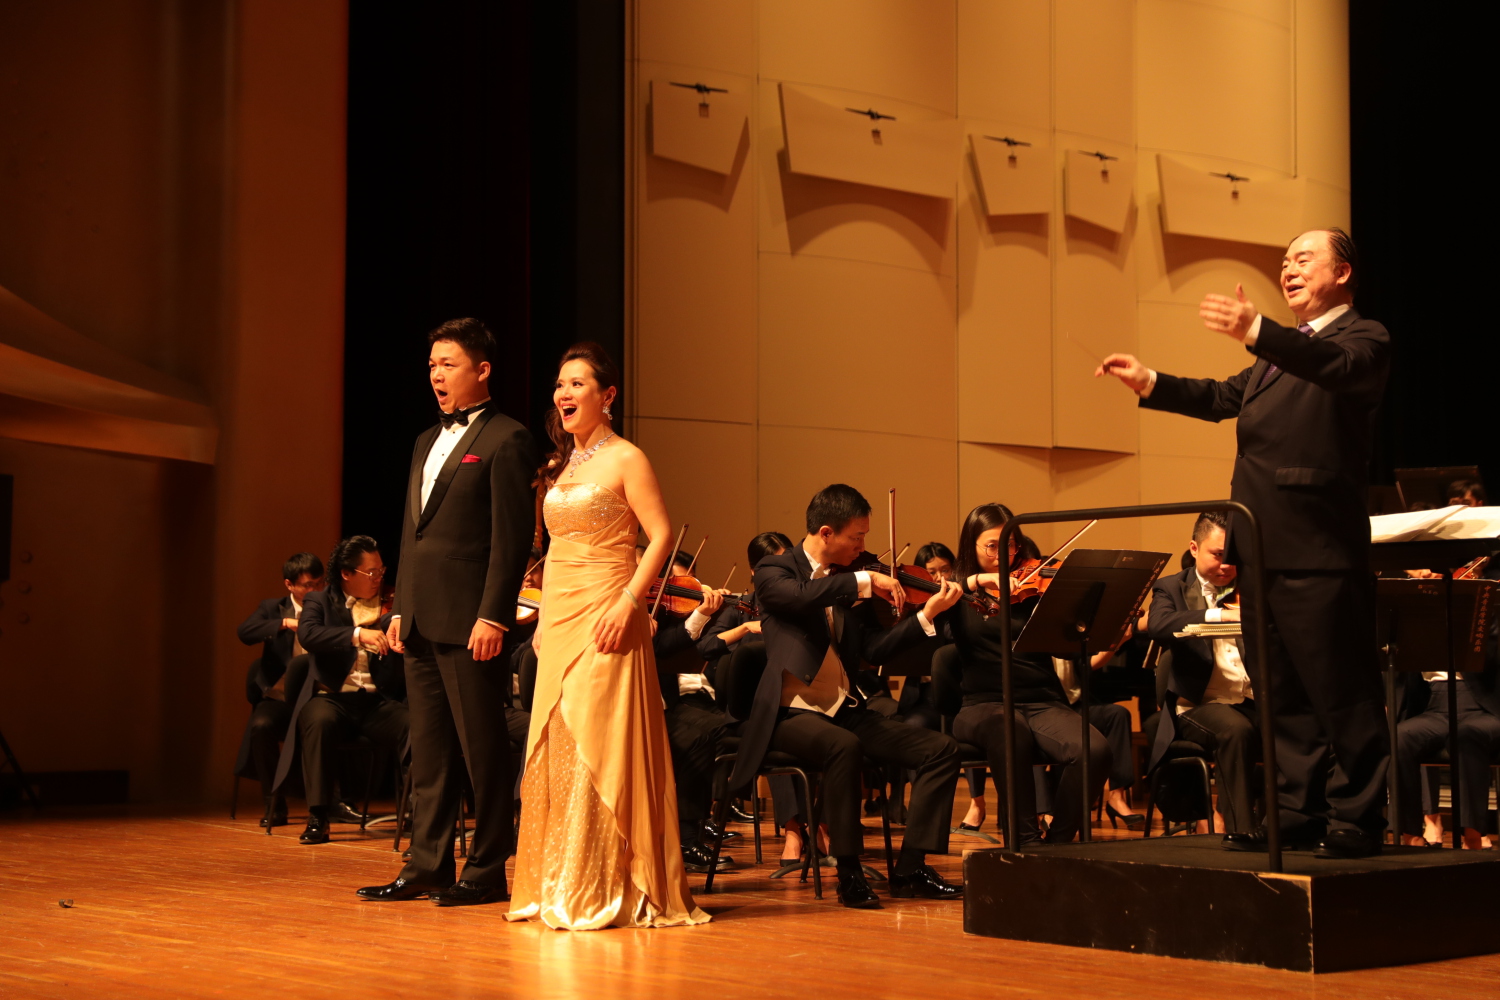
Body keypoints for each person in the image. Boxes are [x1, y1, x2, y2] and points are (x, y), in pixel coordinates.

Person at [1095, 227, 1391, 858]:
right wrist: (1151, 381)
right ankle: (1297, 809)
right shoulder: (1274, 358)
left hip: (1318, 548)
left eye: (1303, 258)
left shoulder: (1362, 338)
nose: (1288, 269)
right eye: (1283, 261)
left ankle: (1358, 815)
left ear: (1342, 273)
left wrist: (1258, 329)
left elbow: (1332, 369)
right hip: (1257, 545)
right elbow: (1219, 397)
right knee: (1279, 692)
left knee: (1340, 688)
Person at [506, 342, 708, 930]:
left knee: (600, 738)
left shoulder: (627, 457)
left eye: (577, 384)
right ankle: (559, 882)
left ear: (608, 395)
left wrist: (629, 602)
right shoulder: (561, 466)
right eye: (559, 384)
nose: (563, 394)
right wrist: (544, 615)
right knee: (558, 738)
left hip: (607, 609)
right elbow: (554, 550)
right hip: (560, 616)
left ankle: (604, 882)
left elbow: (660, 535)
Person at [360, 318, 539, 907]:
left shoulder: (508, 439)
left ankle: (486, 868)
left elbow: (510, 540)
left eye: (449, 365)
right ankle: (427, 864)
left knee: (481, 749)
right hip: (419, 619)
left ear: (482, 370)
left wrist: (494, 615)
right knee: (430, 750)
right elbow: (412, 533)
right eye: (432, 365)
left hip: (470, 621)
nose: (436, 375)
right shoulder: (422, 440)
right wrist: (399, 609)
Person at [729, 483, 966, 909]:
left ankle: (911, 868)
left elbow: (874, 650)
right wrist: (862, 580)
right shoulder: (775, 570)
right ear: (826, 533)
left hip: (843, 708)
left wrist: (925, 615)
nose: (862, 547)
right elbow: (798, 597)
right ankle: (849, 873)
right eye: (856, 538)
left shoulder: (848, 578)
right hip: (789, 714)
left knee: (941, 749)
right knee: (844, 746)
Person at [941, 503, 1111, 847]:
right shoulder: (956, 593)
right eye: (993, 546)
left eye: (1010, 545)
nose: (1004, 555)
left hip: (1042, 701)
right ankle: (1026, 842)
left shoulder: (1032, 587)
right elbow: (928, 606)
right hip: (983, 705)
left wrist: (1081, 622)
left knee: (1096, 751)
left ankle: (1057, 844)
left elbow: (1066, 650)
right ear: (971, 546)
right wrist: (976, 581)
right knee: (1010, 732)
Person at [1145, 511, 1262, 838]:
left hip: (1252, 699)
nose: (1226, 565)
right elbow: (1159, 625)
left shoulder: (1250, 586)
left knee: (1305, 727)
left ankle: (1295, 826)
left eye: (1233, 557)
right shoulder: (1172, 587)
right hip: (1197, 705)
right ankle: (1241, 833)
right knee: (1235, 730)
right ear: (1194, 548)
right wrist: (1217, 615)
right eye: (1218, 555)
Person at [289, 536, 409, 845]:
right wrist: (357, 635)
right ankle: (318, 816)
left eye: (381, 571)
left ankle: (418, 815)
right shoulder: (319, 601)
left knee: (415, 726)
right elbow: (309, 634)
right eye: (371, 573)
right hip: (333, 698)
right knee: (318, 721)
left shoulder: (392, 601)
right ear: (346, 573)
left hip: (376, 701)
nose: (378, 578)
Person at [234, 552, 323, 827]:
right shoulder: (273, 608)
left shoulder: (328, 608)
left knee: (328, 723)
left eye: (319, 583)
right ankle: (274, 803)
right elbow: (245, 632)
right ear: (289, 585)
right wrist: (284, 623)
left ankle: (331, 803)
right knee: (261, 726)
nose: (314, 591)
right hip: (280, 697)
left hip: (316, 697)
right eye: (307, 585)